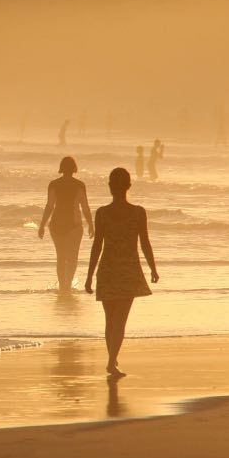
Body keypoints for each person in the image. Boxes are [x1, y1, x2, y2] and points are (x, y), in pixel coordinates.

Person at [85, 168, 159, 376]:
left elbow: (97, 246)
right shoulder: (138, 212)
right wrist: (153, 268)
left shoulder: (102, 213)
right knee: (120, 320)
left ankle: (112, 359)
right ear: (128, 186)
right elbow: (145, 243)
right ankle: (111, 361)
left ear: (110, 187)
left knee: (110, 320)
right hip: (128, 270)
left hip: (107, 269)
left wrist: (89, 275)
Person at [37, 156, 94, 293]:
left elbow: (50, 206)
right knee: (72, 257)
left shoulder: (53, 184)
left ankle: (63, 286)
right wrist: (91, 224)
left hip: (56, 225)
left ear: (61, 168)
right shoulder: (79, 185)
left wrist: (42, 225)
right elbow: (85, 207)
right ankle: (67, 285)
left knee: (61, 257)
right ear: (74, 168)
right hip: (74, 225)